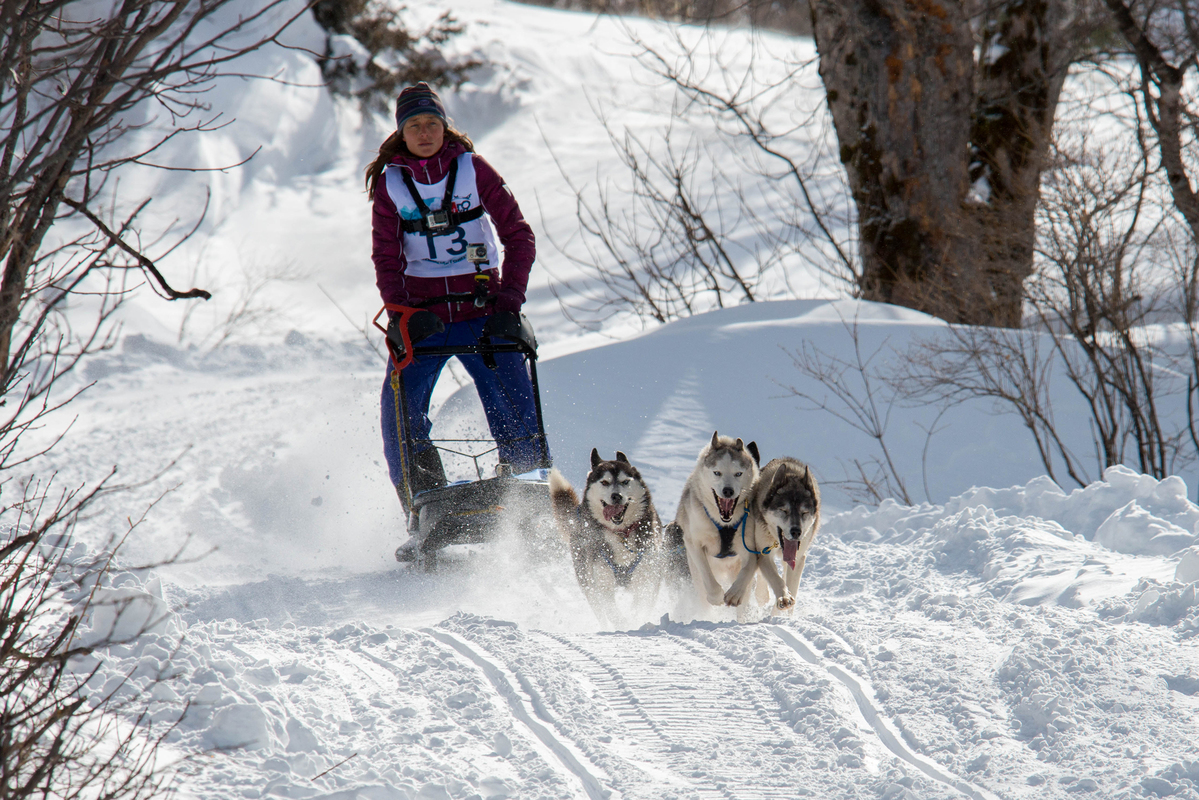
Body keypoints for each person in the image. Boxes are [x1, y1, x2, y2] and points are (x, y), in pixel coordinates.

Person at [365, 82, 550, 510]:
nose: (425, 133)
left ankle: (528, 495)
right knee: (399, 413)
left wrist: (510, 303)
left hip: (485, 312)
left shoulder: (473, 169)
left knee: (514, 403)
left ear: (446, 128)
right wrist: (399, 314)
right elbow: (385, 258)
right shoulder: (391, 186)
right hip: (422, 319)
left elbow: (519, 237)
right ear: (401, 133)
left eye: (433, 123)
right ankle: (423, 502)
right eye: (415, 125)